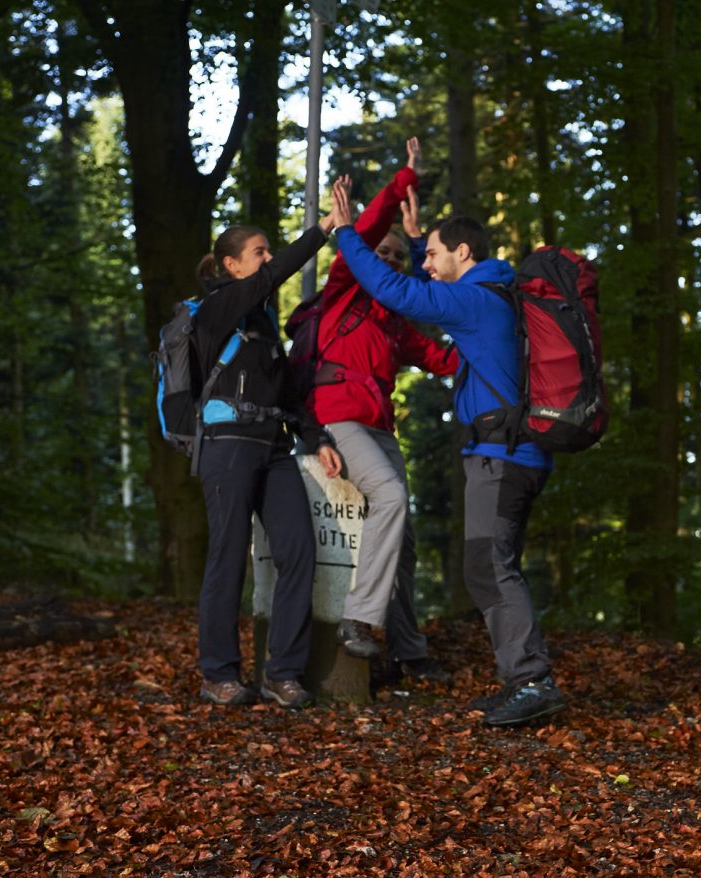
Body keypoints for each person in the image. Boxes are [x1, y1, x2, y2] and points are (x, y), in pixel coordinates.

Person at [334, 178, 568, 727]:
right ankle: (522, 678)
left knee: (491, 566)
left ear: (463, 252)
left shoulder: (475, 299)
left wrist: (347, 234)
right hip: (513, 452)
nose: (428, 263)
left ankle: (533, 680)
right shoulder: (495, 295)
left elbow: (398, 292)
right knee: (488, 565)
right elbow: (425, 283)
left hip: (503, 456)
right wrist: (418, 244)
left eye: (435, 254)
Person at [192, 176, 351, 710]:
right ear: (231, 265)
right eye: (258, 252)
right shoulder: (216, 310)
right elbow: (274, 276)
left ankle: (281, 672)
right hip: (227, 444)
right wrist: (322, 230)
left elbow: (290, 393)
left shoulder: (263, 328)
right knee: (228, 556)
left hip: (273, 446)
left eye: (267, 251)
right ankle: (218, 673)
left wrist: (316, 437)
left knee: (298, 550)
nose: (267, 259)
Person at [303, 138, 455, 684]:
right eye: (382, 255)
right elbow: (364, 234)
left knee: (404, 538)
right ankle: (358, 621)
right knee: (390, 495)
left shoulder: (396, 324)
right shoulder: (344, 288)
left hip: (377, 424)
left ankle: (408, 650)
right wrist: (401, 183)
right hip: (339, 414)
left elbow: (443, 357)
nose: (388, 261)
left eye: (397, 257)